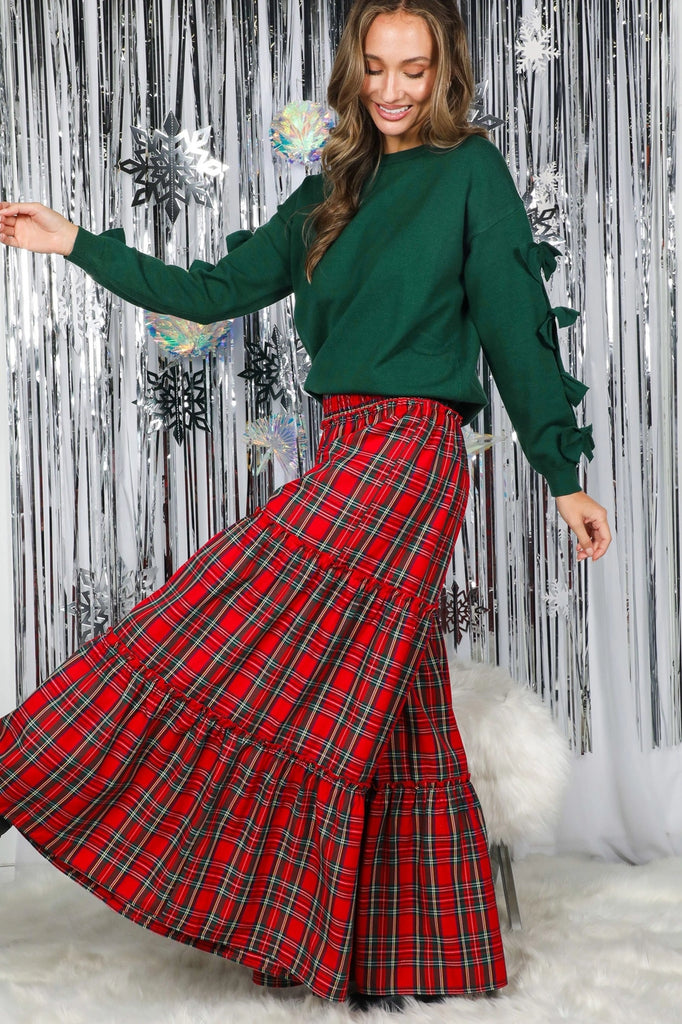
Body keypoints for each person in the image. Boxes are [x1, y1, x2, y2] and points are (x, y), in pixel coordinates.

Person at [0, 0, 611, 1014]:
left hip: (412, 454)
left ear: (445, 72)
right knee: (389, 709)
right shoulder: (333, 185)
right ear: (352, 70)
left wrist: (563, 472)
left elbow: (515, 322)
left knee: (217, 606)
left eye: (414, 68)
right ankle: (408, 952)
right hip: (344, 446)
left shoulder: (470, 172)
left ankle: (21, 762)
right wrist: (76, 243)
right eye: (376, 66)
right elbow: (211, 291)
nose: (393, 90)